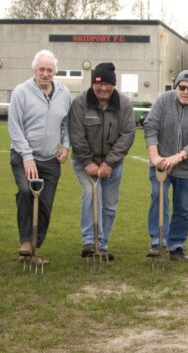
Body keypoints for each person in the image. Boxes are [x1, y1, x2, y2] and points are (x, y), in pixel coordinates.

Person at [8, 49, 71, 264]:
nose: (45, 73)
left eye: (50, 70)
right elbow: (14, 127)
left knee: (45, 204)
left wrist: (66, 145)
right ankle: (25, 241)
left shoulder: (64, 93)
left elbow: (66, 123)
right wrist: (27, 156)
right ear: (34, 70)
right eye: (41, 69)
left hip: (50, 160)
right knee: (26, 192)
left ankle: (33, 248)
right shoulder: (20, 92)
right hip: (23, 156)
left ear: (55, 71)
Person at [68, 62, 134, 260]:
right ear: (92, 84)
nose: (103, 88)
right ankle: (90, 241)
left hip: (112, 164)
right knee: (91, 194)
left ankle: (102, 245)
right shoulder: (80, 103)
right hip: (84, 161)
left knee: (109, 205)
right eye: (99, 83)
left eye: (107, 84)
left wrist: (109, 163)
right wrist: (88, 162)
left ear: (113, 85)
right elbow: (76, 134)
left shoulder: (124, 104)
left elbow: (128, 134)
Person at [143, 70, 188, 262]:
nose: (185, 92)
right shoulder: (163, 101)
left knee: (184, 208)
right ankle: (157, 241)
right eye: (182, 87)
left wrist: (178, 157)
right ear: (176, 87)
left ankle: (176, 245)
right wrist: (155, 157)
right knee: (158, 198)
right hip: (160, 165)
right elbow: (150, 127)